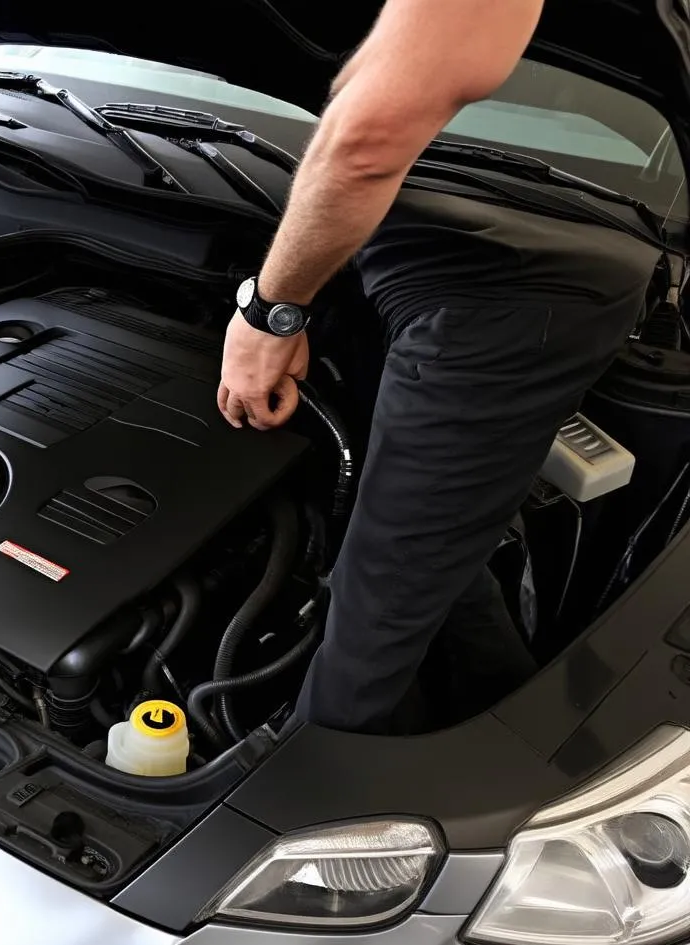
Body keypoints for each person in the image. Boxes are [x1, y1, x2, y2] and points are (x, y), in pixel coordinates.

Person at [219, 0, 662, 732]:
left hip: (515, 271)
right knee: (425, 555)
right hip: (398, 226)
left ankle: (314, 802)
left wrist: (272, 311)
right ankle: (507, 723)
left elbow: (370, 134)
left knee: (378, 606)